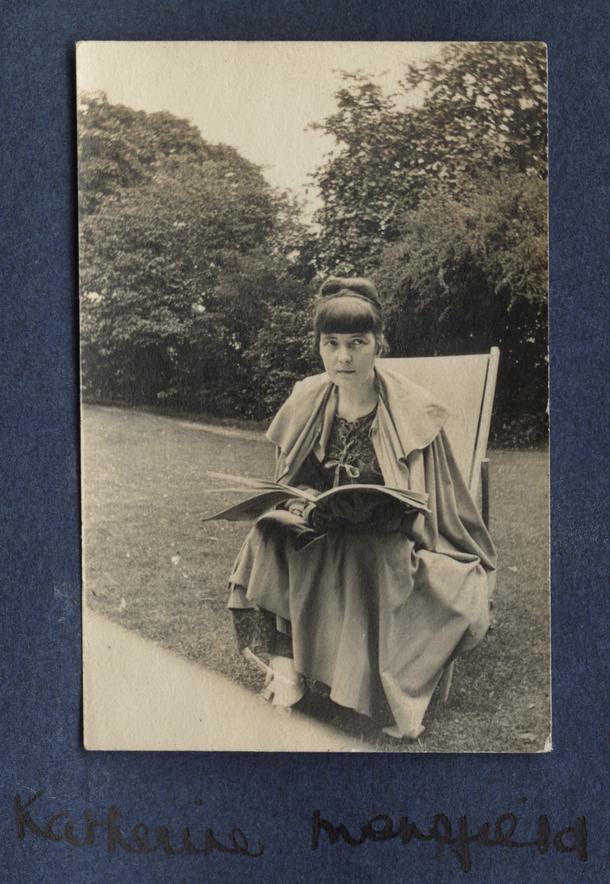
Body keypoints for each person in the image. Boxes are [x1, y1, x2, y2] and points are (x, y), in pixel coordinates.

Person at [227, 277, 496, 740]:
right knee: (270, 530)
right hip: (327, 527)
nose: (343, 357)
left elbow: (433, 506)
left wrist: (383, 511)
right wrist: (300, 502)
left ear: (378, 345)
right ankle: (286, 669)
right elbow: (294, 480)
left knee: (367, 551)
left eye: (357, 343)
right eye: (331, 344)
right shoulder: (310, 399)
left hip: (394, 538)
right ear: (319, 346)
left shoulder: (413, 410)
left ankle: (374, 690)